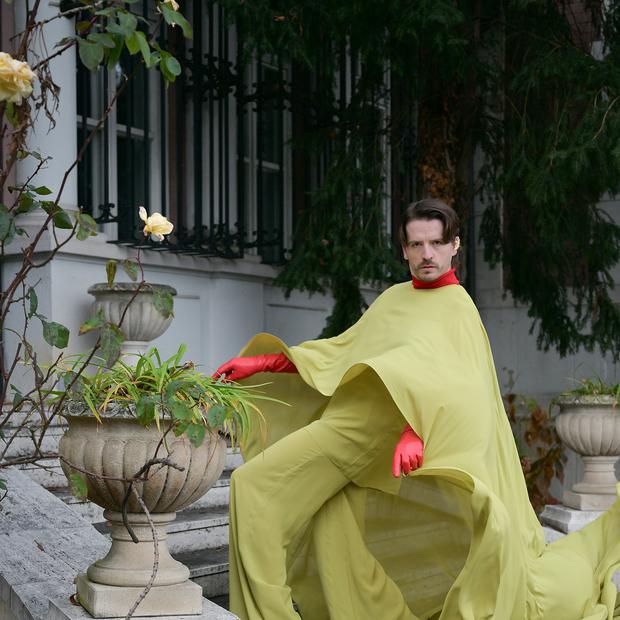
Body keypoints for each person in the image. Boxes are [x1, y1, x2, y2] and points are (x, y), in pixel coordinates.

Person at [214, 199, 620, 620]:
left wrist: (415, 431)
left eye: (437, 243)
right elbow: (340, 352)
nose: (427, 254)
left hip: (374, 443)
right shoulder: (395, 298)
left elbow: (464, 390)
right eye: (416, 244)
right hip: (345, 426)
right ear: (404, 249)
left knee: (251, 485)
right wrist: (263, 363)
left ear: (454, 245)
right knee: (330, 524)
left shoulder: (458, 308)